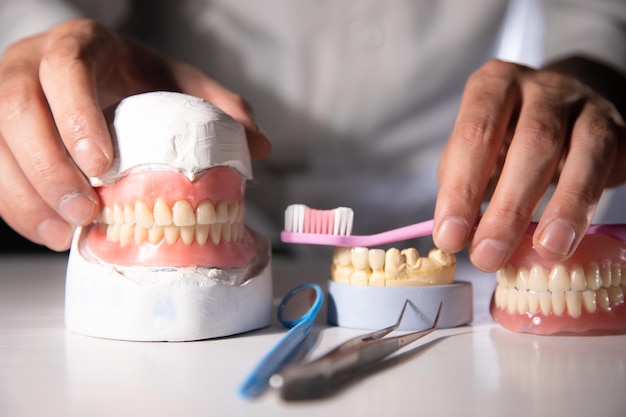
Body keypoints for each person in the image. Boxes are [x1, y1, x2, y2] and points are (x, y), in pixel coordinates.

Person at [0, 0, 624, 272]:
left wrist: (586, 79)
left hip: (477, 209)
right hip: (222, 200)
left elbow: (597, 15)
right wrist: (43, 57)